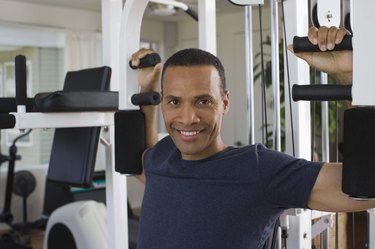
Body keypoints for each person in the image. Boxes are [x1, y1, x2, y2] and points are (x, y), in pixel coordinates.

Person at [129, 26, 374, 249]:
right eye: (174, 102)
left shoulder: (257, 169)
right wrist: (147, 91)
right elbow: (142, 166)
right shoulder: (160, 156)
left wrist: (350, 79)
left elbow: (366, 190)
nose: (188, 118)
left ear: (224, 102)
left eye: (203, 101)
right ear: (163, 103)